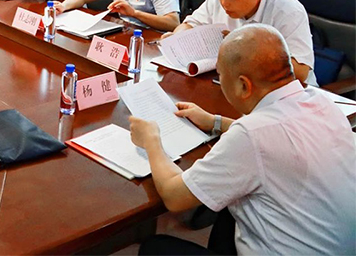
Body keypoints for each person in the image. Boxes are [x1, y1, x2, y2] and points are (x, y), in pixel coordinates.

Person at [131, 25, 356, 255]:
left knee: (155, 248)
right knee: (231, 209)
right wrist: (215, 122)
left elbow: (174, 196)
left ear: (243, 85)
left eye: (220, 75)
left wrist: (151, 141)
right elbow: (279, 139)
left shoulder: (251, 134)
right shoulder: (322, 102)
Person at [164, 0, 315, 84]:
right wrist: (176, 39)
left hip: (278, 90)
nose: (224, 3)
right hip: (229, 81)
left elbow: (301, 72)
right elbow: (191, 24)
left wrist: (245, 51)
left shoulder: (288, 11)